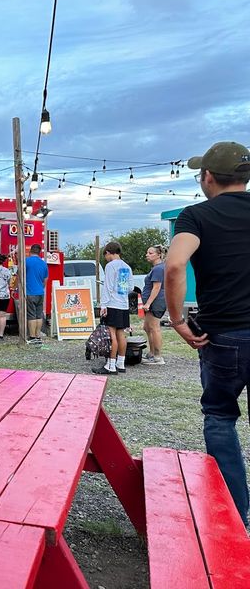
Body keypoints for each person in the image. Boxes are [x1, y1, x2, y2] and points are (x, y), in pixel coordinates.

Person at [166, 140, 250, 525]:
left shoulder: (195, 216)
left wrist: (178, 320)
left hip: (224, 336)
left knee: (219, 417)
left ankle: (235, 516)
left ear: (209, 177)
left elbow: (175, 265)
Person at [93, 241, 132, 375]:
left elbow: (108, 287)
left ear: (108, 252)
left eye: (106, 255)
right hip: (123, 304)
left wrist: (103, 305)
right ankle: (120, 363)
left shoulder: (111, 266)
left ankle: (110, 365)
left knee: (111, 335)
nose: (106, 258)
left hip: (112, 304)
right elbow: (130, 288)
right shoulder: (127, 267)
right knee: (121, 334)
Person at [141, 245, 167, 365]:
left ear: (159, 255)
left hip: (156, 302)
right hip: (152, 303)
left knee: (154, 328)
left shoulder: (158, 269)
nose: (147, 255)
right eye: (147, 252)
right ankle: (151, 353)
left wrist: (148, 303)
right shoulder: (156, 268)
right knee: (147, 327)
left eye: (150, 253)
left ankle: (158, 357)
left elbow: (156, 287)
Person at [24, 244, 48, 344]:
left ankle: (32, 336)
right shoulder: (43, 263)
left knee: (31, 315)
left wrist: (15, 287)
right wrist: (41, 288)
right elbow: (45, 280)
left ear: (30, 251)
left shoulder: (26, 261)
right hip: (40, 293)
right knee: (39, 315)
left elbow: (20, 275)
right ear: (39, 252)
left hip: (30, 292)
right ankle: (38, 336)